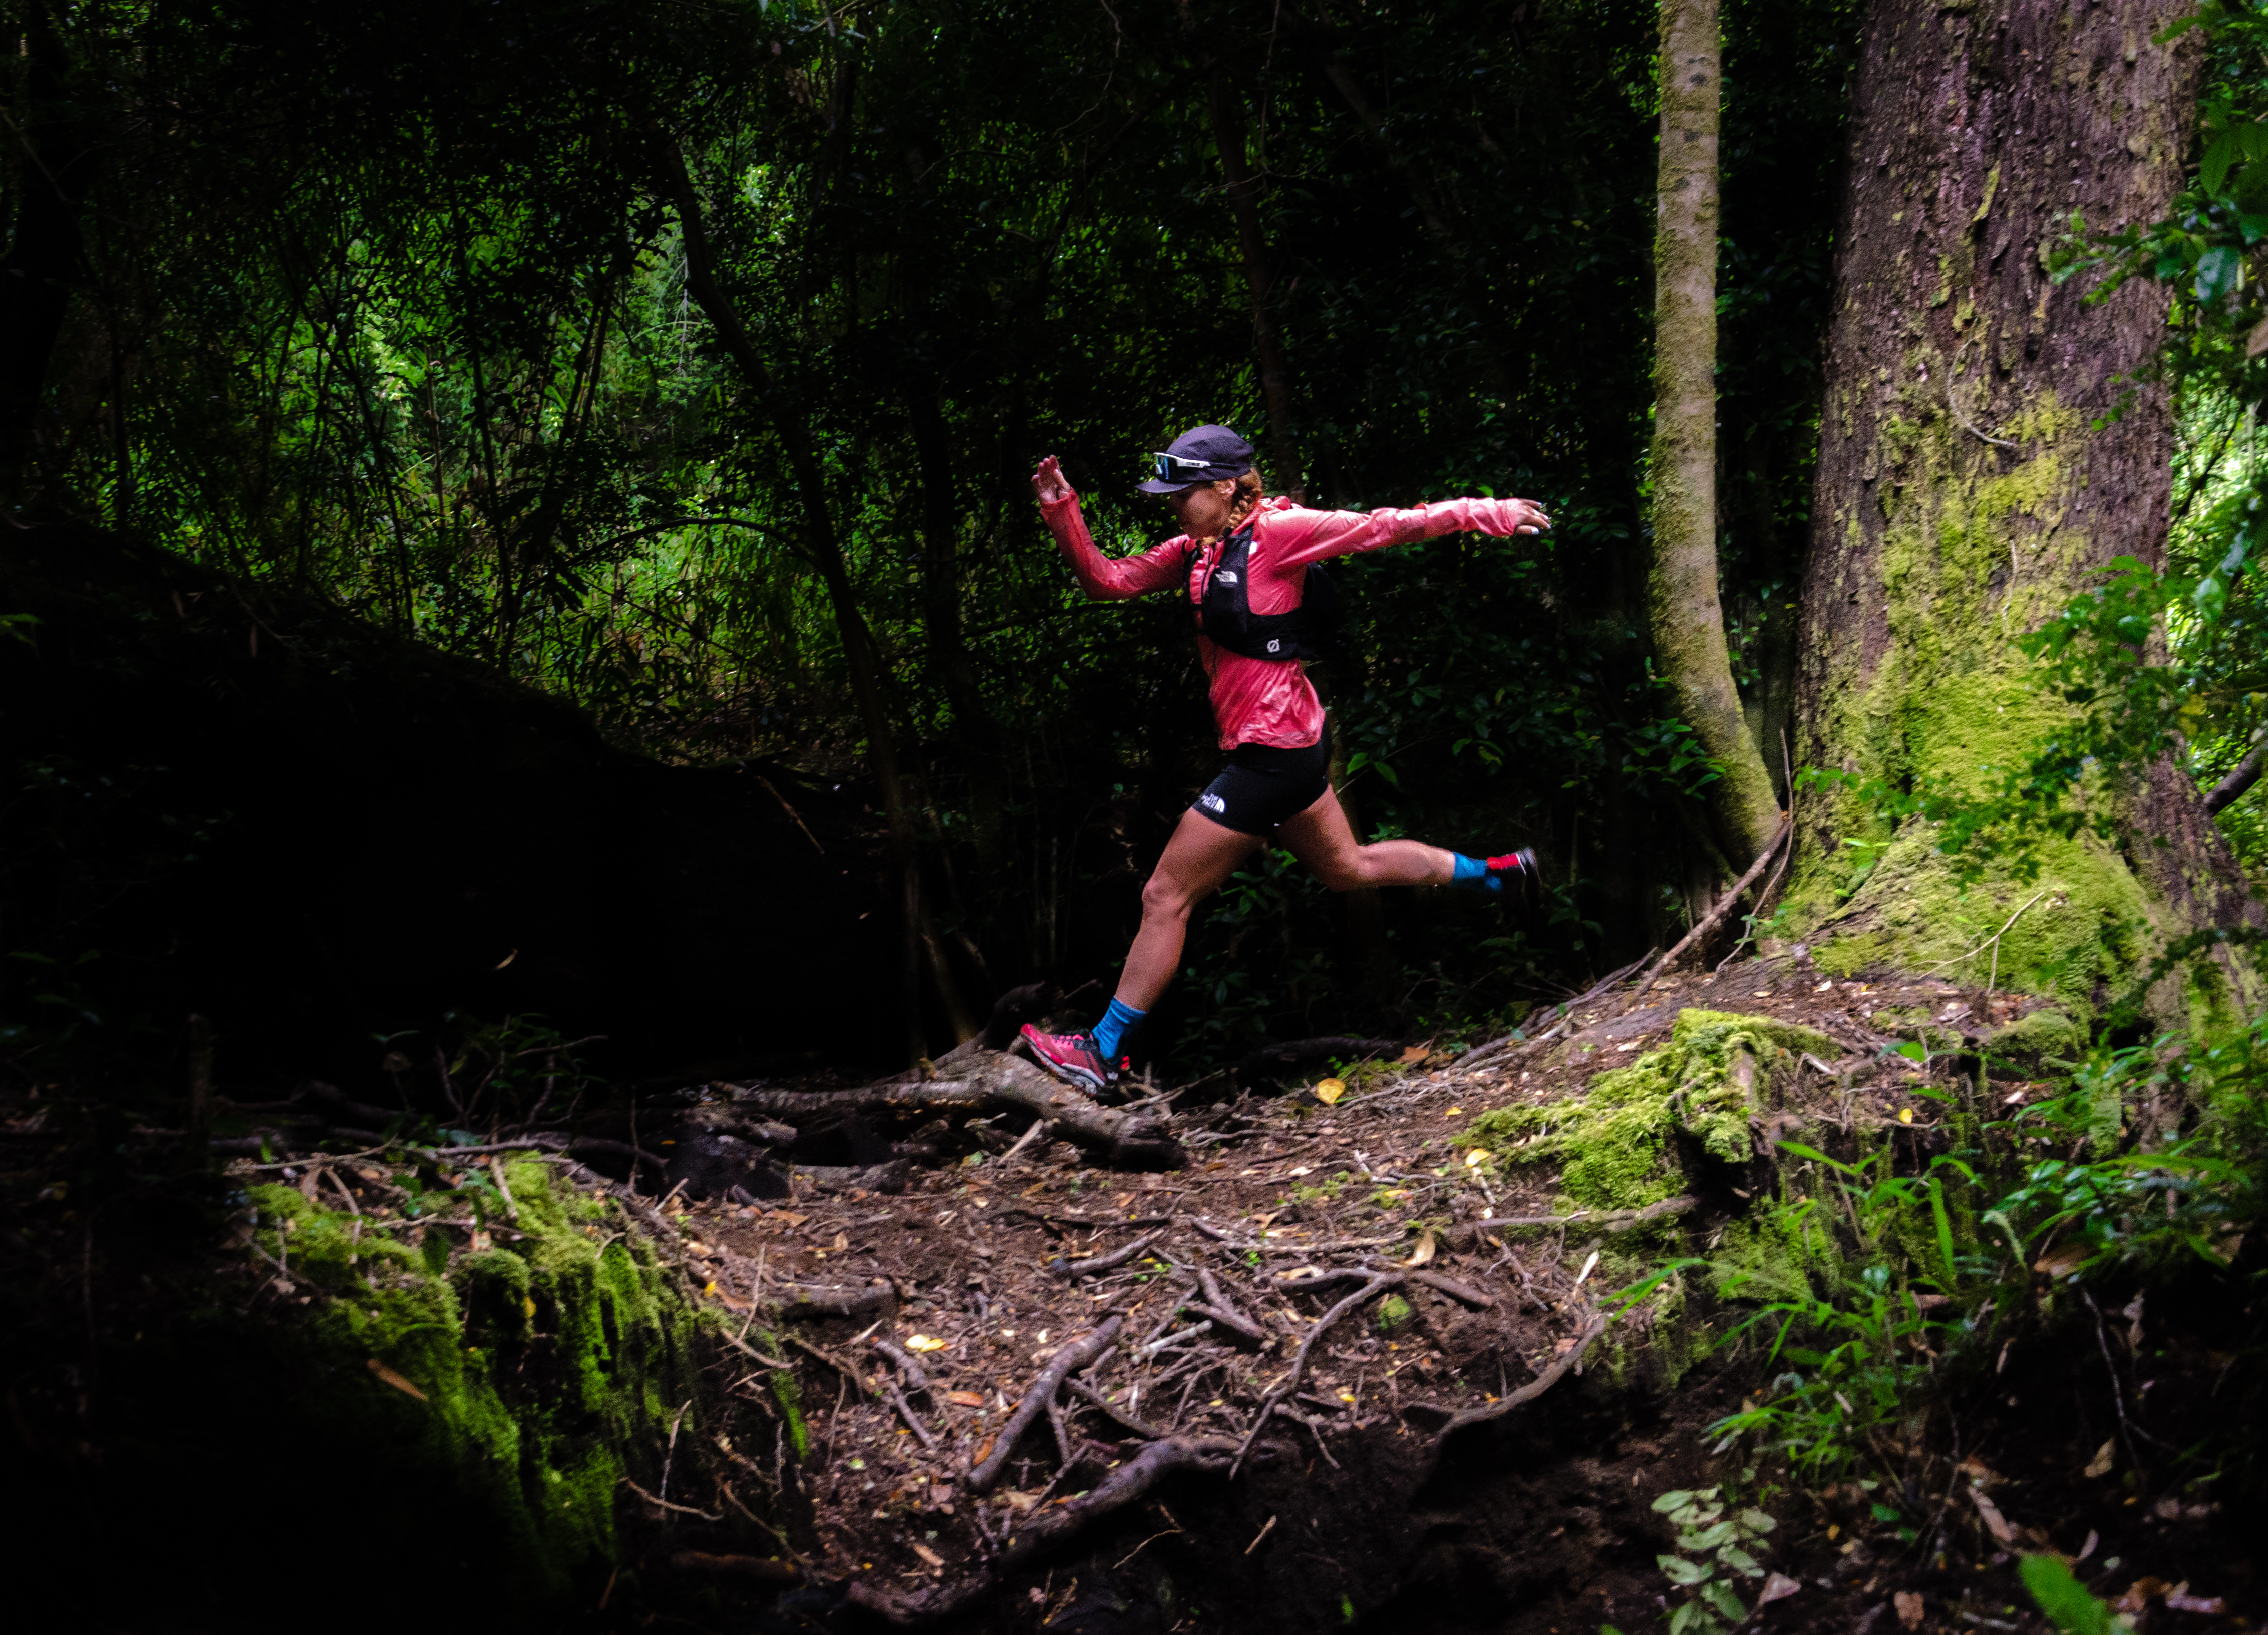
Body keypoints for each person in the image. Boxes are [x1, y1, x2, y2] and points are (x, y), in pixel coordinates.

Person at [1017, 423, 1554, 1093]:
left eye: (1184, 493)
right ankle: (1501, 875)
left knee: (1164, 894)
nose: (1174, 504)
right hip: (1291, 745)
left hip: (1271, 754)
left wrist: (1487, 513)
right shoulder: (1196, 550)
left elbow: (1384, 527)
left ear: (1224, 485)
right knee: (1347, 867)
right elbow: (1108, 581)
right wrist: (1060, 509)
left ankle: (1102, 1050)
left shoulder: (1282, 532)